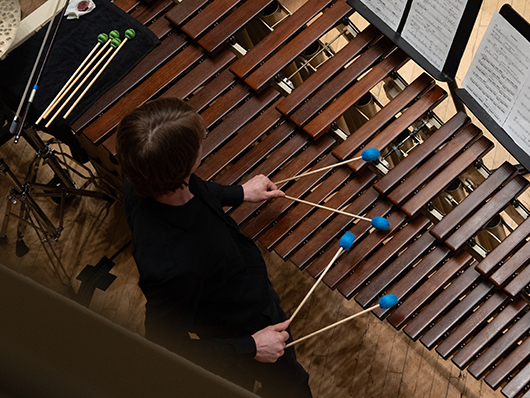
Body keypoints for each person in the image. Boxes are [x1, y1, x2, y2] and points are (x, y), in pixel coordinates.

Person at [116, 97, 312, 397]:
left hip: (242, 284)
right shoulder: (171, 267)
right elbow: (164, 344)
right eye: (198, 145)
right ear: (183, 166)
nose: (202, 144)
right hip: (241, 323)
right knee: (292, 386)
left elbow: (192, 187)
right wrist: (252, 347)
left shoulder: (144, 173)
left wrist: (240, 193)